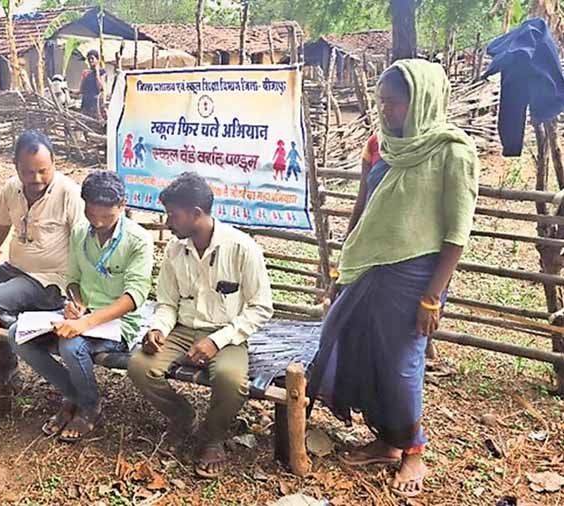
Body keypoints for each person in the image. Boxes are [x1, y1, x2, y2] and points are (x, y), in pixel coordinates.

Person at [307, 60, 480, 498]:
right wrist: (341, 268)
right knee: (358, 349)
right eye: (381, 103)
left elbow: (456, 234)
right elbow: (362, 208)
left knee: (402, 364)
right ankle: (387, 440)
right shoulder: (378, 145)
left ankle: (414, 449)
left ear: (421, 101)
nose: (386, 112)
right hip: (366, 264)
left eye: (395, 104)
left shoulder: (451, 152)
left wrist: (432, 297)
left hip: (415, 275)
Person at [127, 172, 273, 479]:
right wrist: (158, 330)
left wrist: (216, 341)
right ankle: (183, 416)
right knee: (140, 366)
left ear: (196, 214)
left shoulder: (242, 248)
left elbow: (261, 308)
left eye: (173, 215)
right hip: (182, 329)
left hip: (227, 333)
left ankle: (212, 436)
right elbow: (166, 302)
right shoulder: (175, 249)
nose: (168, 222)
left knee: (232, 379)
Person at [9, 171, 153, 442]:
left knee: (71, 345)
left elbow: (134, 296)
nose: (98, 222)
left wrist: (85, 323)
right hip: (82, 316)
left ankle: (89, 405)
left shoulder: (138, 240)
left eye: (107, 216)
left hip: (119, 324)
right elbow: (73, 280)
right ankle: (74, 393)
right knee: (17, 333)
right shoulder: (79, 232)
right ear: (84, 204)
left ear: (122, 205)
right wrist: (76, 304)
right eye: (92, 214)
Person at [0, 130, 84, 384]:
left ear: (54, 162)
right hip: (14, 268)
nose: (37, 178)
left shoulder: (68, 193)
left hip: (48, 280)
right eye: (29, 172)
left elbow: (83, 245)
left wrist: (79, 296)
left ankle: (5, 367)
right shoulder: (11, 188)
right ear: (16, 166)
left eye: (43, 170)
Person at [79, 50, 106, 119]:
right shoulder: (86, 73)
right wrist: (68, 90)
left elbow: (100, 87)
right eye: (89, 59)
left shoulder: (102, 72)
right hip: (85, 104)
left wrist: (97, 72)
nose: (90, 60)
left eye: (92, 58)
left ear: (97, 59)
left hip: (96, 105)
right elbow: (81, 90)